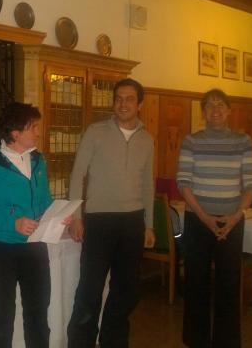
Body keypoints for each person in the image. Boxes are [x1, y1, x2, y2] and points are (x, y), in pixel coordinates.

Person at [67, 78, 156, 348]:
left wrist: (149, 225)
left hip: (132, 222)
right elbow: (77, 175)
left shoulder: (147, 140)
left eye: (129, 99)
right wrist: (76, 216)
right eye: (118, 98)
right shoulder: (95, 132)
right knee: (90, 290)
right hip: (99, 220)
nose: (122, 104)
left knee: (126, 291)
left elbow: (148, 184)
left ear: (139, 104)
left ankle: (112, 341)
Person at [0, 102, 66, 348]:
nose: (38, 132)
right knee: (2, 315)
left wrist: (58, 214)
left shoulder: (38, 160)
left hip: (34, 246)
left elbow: (44, 200)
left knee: (38, 312)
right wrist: (13, 222)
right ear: (15, 133)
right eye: (33, 127)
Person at [177, 88, 252, 348]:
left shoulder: (243, 142)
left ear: (229, 111)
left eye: (220, 105)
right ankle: (196, 340)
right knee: (196, 282)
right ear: (203, 112)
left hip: (231, 221)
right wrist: (205, 218)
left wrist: (234, 217)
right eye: (210, 106)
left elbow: (251, 184)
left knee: (229, 284)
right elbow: (183, 183)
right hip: (197, 220)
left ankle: (227, 342)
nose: (215, 110)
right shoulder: (191, 141)